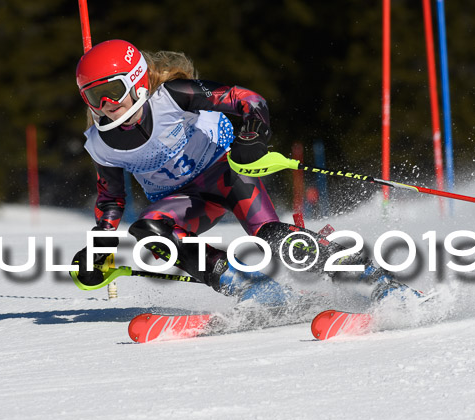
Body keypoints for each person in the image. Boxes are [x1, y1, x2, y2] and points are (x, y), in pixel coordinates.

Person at [72, 39, 416, 305]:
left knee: (270, 237)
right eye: (94, 97)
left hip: (226, 171)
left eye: (111, 92)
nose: (106, 106)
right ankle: (250, 288)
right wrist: (99, 247)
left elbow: (246, 99)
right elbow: (111, 200)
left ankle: (375, 278)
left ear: (136, 81)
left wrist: (252, 133)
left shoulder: (172, 98)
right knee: (149, 230)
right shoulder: (101, 143)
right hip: (185, 201)